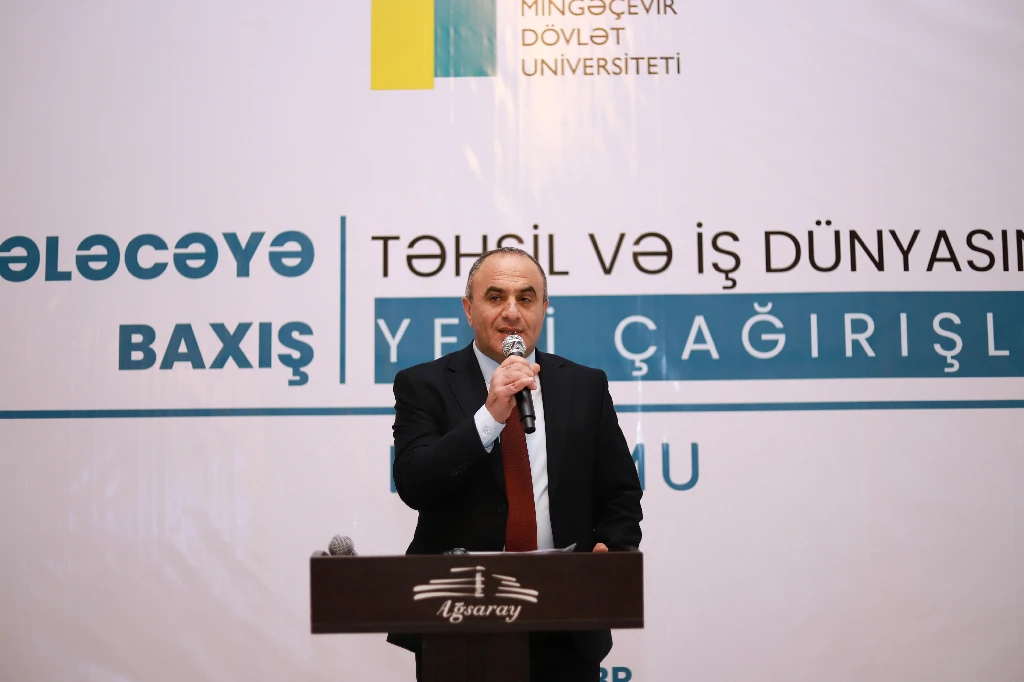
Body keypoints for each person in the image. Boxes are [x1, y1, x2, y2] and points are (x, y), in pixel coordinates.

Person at [387, 247, 643, 682]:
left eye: (526, 298)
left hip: (567, 617)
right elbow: (415, 482)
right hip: (459, 618)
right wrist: (489, 416)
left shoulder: (585, 385)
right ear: (468, 309)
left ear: (544, 309)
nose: (512, 312)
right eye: (495, 297)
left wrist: (613, 552)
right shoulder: (423, 384)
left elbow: (619, 491)